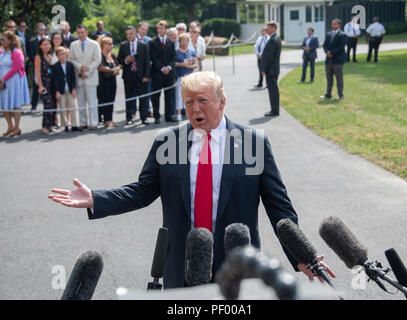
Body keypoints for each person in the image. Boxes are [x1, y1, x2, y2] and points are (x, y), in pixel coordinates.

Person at [48, 71, 336, 289]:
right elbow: (143, 191)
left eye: (203, 101)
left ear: (222, 102)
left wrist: (300, 254)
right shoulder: (167, 142)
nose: (196, 109)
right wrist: (97, 198)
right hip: (182, 261)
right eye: (189, 103)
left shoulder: (253, 143)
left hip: (238, 262)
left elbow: (279, 207)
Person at [69, 24, 101, 130]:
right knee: (81, 102)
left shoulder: (94, 44)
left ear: (86, 32)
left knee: (92, 102)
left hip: (90, 76)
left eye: (82, 32)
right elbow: (71, 59)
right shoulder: (73, 45)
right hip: (79, 77)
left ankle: (94, 122)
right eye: (78, 33)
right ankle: (83, 122)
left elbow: (97, 60)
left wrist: (87, 71)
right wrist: (80, 67)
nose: (80, 35)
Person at [117, 26, 150, 126]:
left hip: (140, 76)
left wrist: (146, 76)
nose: (129, 36)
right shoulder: (123, 45)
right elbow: (119, 60)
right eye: (127, 34)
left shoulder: (143, 45)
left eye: (131, 33)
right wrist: (126, 60)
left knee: (143, 98)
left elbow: (147, 62)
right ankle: (129, 117)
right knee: (129, 98)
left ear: (135, 33)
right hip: (128, 76)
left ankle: (144, 118)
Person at [0, 31, 30, 137]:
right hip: (2, 79)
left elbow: (16, 68)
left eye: (3, 39)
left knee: (16, 104)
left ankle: (17, 127)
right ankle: (10, 126)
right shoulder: (1, 51)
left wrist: (4, 78)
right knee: (3, 104)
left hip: (13, 80)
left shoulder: (17, 52)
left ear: (10, 40)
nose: (1, 41)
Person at [149, 20, 176, 124]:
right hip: (157, 73)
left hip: (168, 74)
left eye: (162, 28)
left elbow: (173, 56)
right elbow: (153, 57)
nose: (159, 30)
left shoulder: (170, 42)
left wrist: (168, 67)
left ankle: (169, 115)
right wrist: (162, 68)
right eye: (158, 28)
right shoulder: (152, 42)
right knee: (156, 96)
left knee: (169, 95)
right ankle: (156, 116)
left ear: (166, 29)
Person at [52, 46, 79, 133]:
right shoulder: (55, 66)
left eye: (63, 54)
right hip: (61, 89)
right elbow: (55, 80)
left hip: (70, 88)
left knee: (73, 106)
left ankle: (75, 124)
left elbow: (73, 78)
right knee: (62, 107)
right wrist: (57, 91)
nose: (62, 56)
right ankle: (65, 125)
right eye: (60, 54)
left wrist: (74, 88)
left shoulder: (70, 65)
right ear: (57, 56)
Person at [321, 19, 347, 100]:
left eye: (335, 24)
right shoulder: (329, 34)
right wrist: (327, 52)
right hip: (328, 60)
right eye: (332, 24)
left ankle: (340, 94)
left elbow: (341, 47)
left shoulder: (342, 35)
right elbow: (324, 45)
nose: (333, 25)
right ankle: (328, 93)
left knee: (339, 78)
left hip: (338, 60)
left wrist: (331, 52)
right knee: (329, 78)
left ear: (339, 25)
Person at [97, 36, 120, 128]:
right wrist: (112, 70)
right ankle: (105, 120)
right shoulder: (100, 55)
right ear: (104, 45)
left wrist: (117, 69)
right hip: (103, 81)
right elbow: (100, 67)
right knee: (104, 99)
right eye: (110, 44)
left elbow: (118, 65)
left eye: (112, 43)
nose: (112, 45)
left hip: (112, 80)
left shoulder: (112, 55)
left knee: (111, 99)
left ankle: (110, 119)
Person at [174, 33, 197, 121]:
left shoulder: (191, 52)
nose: (185, 43)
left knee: (190, 96)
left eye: (186, 41)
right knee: (179, 95)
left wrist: (188, 67)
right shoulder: (176, 52)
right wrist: (183, 64)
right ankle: (179, 113)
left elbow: (195, 64)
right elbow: (174, 64)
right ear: (179, 42)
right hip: (180, 77)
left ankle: (188, 112)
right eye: (183, 41)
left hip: (190, 77)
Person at [260, 21, 281, 117]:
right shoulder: (274, 38)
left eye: (268, 27)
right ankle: (275, 109)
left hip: (271, 70)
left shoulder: (273, 39)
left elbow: (269, 57)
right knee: (273, 91)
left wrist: (264, 69)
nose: (266, 29)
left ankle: (274, 110)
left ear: (273, 28)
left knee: (273, 91)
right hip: (273, 69)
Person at [35, 38, 55, 134]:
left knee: (52, 105)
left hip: (51, 83)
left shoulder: (50, 56)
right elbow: (38, 73)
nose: (47, 46)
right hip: (44, 84)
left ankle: (50, 125)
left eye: (48, 44)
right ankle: (44, 126)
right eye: (44, 44)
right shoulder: (38, 57)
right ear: (40, 46)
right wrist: (40, 86)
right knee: (47, 104)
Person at [28, 23, 46, 111]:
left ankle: (46, 104)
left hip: (46, 66)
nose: (42, 31)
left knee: (47, 84)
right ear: (37, 30)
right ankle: (34, 105)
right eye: (41, 29)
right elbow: (31, 54)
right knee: (36, 85)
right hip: (36, 65)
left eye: (44, 29)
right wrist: (37, 62)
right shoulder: (32, 41)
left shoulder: (48, 40)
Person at [137, 22, 153, 118]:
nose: (144, 31)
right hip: (136, 70)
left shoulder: (149, 41)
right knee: (134, 92)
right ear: (138, 29)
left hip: (147, 70)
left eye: (146, 30)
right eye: (142, 29)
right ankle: (133, 112)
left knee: (147, 91)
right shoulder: (134, 39)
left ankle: (147, 110)